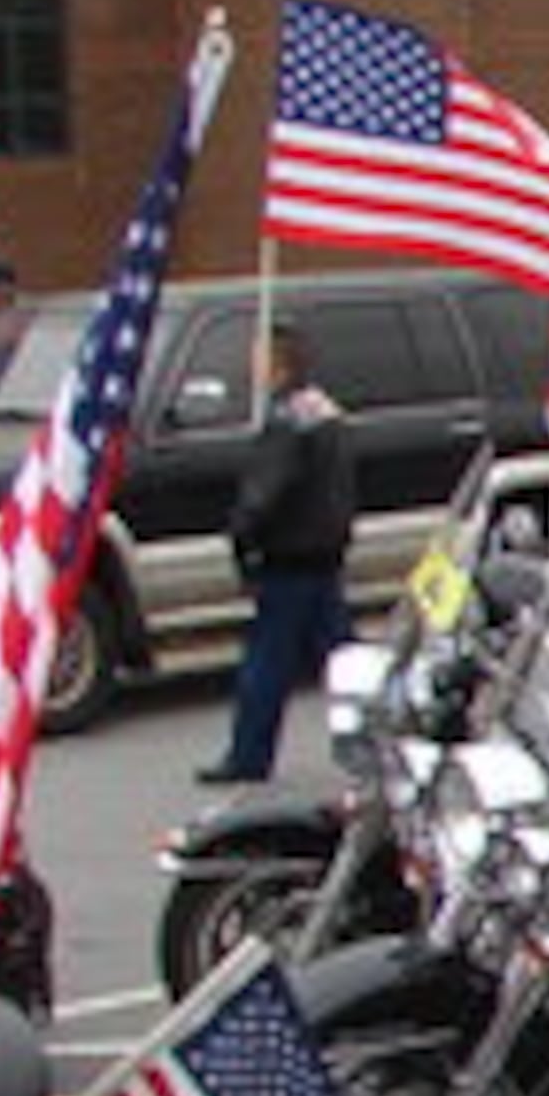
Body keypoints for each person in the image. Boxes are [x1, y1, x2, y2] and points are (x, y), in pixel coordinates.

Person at [202, 320, 358, 787]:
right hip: (324, 554)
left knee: (266, 666)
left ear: (278, 363)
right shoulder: (326, 412)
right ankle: (382, 742)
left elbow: (265, 493)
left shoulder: (286, 421)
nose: (251, 366)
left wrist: (242, 536)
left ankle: (248, 757)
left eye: (258, 357)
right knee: (344, 662)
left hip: (288, 558)